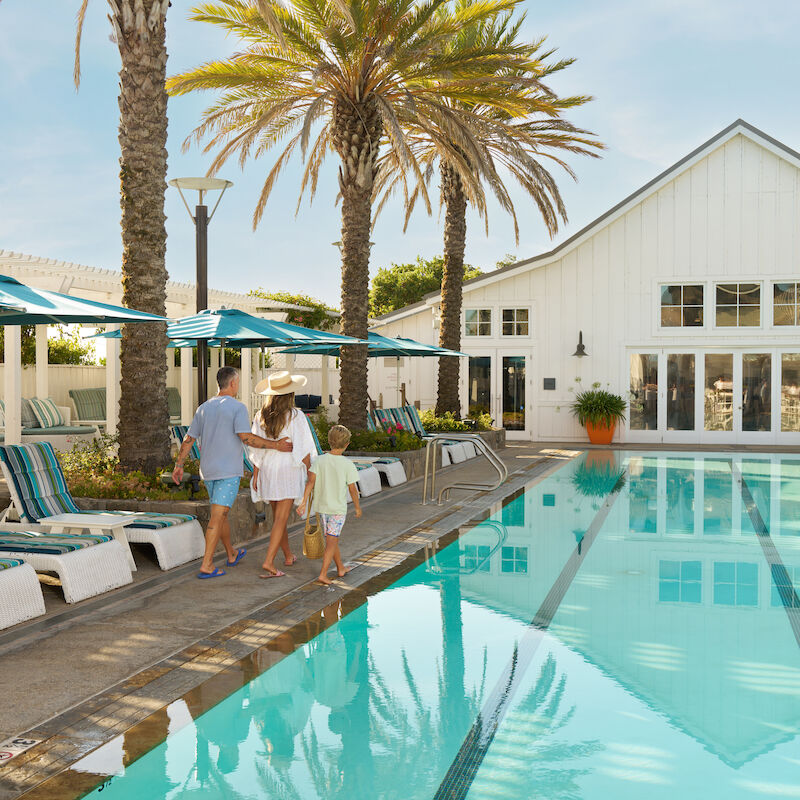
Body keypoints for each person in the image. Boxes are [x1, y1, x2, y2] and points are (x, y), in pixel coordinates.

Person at [172, 366, 292, 579]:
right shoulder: (238, 407)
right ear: (233, 383)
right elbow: (246, 437)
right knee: (218, 517)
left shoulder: (203, 408)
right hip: (227, 472)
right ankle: (207, 565)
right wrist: (276, 446)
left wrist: (179, 465)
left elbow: (188, 438)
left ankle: (231, 553)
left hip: (207, 472)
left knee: (222, 514)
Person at [249, 371, 317, 579]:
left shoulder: (261, 415)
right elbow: (304, 448)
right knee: (280, 519)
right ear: (290, 394)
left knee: (278, 518)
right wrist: (310, 470)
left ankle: (288, 556)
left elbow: (256, 447)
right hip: (287, 470)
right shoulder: (296, 416)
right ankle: (269, 562)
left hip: (268, 470)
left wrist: (256, 474)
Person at [298, 424, 362, 586]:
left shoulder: (319, 461)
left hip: (322, 509)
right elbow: (353, 489)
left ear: (329, 441)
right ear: (347, 444)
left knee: (331, 540)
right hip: (337, 510)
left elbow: (310, 483)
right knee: (331, 542)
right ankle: (323, 574)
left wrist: (303, 502)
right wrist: (357, 507)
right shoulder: (347, 464)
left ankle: (340, 568)